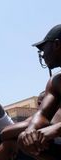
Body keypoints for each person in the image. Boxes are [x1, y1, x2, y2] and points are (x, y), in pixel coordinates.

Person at [17, 24, 61, 159]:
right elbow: (42, 114)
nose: (42, 54)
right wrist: (31, 131)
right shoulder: (56, 81)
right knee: (23, 140)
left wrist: (55, 129)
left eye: (43, 48)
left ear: (57, 44)